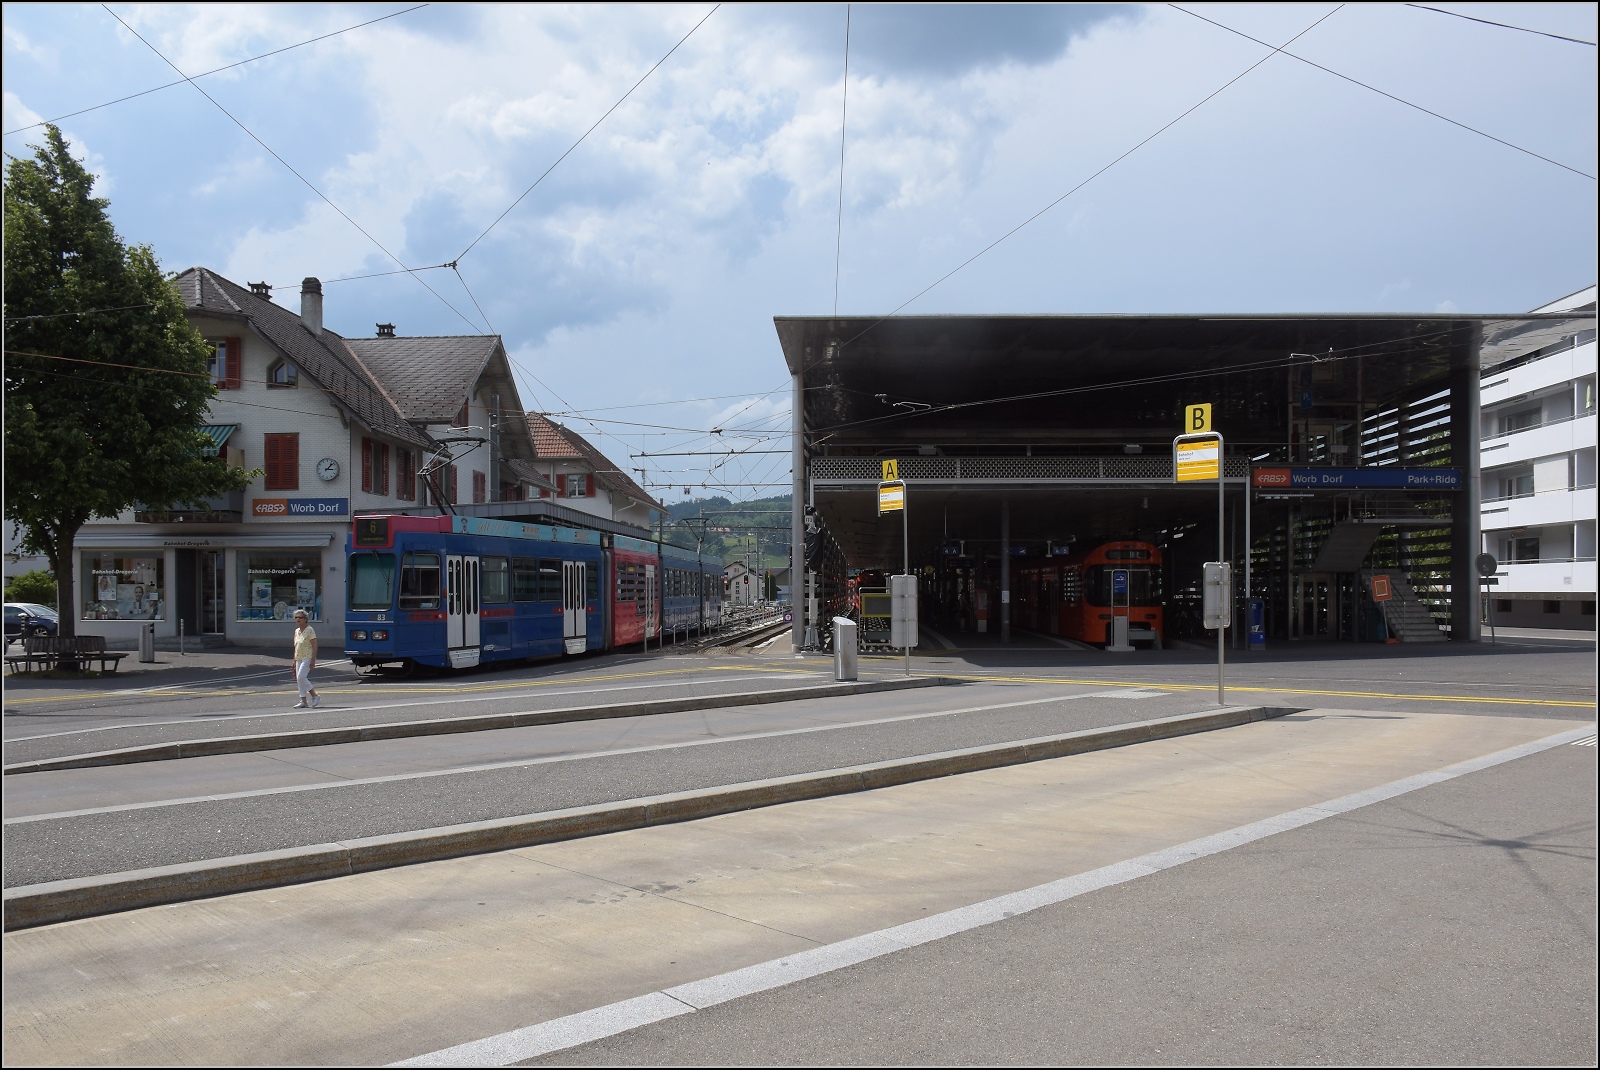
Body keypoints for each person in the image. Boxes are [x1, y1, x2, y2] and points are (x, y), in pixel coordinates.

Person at [291, 609, 320, 709]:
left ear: (305, 619)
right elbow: (296, 646)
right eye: (296, 617)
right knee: (299, 680)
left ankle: (315, 695)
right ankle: (303, 701)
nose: (298, 619)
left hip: (307, 657)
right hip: (299, 657)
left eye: (300, 617)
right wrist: (294, 661)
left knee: (301, 677)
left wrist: (313, 659)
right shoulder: (297, 631)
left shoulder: (310, 630)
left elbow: (314, 645)